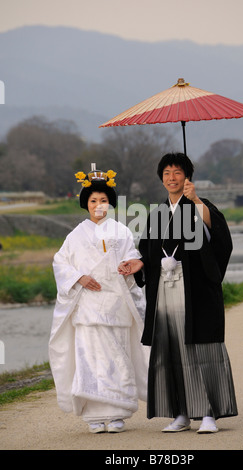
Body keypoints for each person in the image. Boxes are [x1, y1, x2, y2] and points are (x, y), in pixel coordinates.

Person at [119, 152, 238, 434]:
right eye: (167, 173)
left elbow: (218, 237)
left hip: (195, 289)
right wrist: (139, 263)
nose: (172, 178)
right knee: (170, 347)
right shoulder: (157, 213)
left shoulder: (200, 205)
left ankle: (208, 412)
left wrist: (196, 201)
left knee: (199, 347)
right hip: (165, 289)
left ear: (187, 177)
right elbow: (148, 251)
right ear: (161, 178)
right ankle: (181, 412)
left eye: (178, 172)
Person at [49, 164, 149, 434]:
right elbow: (61, 263)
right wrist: (80, 278)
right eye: (93, 200)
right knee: (89, 359)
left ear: (111, 203)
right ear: (86, 203)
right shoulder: (75, 235)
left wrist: (132, 265)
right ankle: (93, 415)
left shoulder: (122, 232)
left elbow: (135, 257)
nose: (99, 205)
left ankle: (118, 413)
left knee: (118, 357)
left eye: (104, 200)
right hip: (88, 305)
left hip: (116, 304)